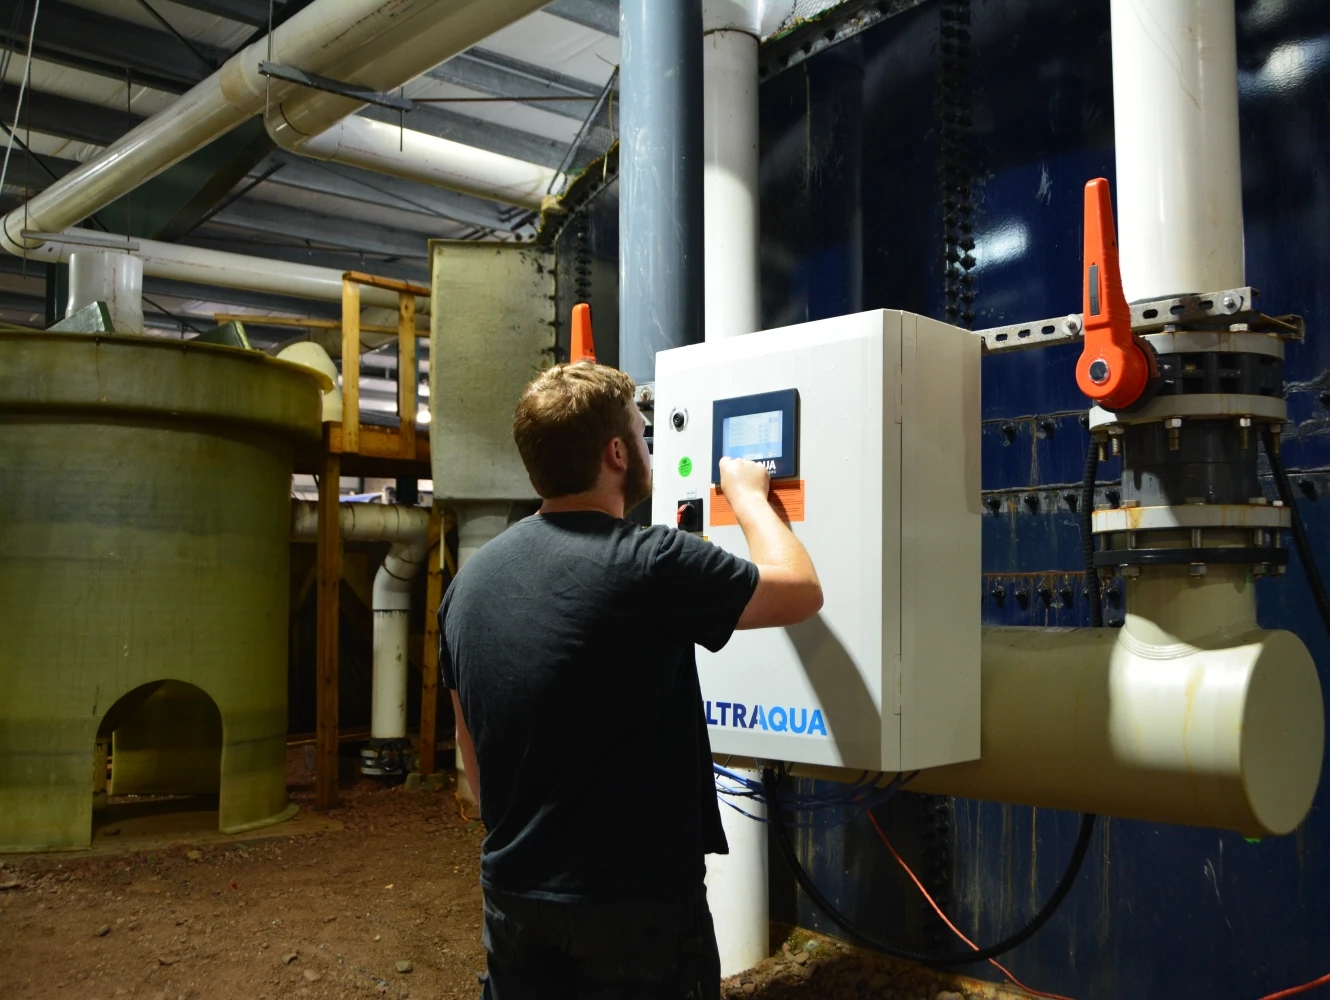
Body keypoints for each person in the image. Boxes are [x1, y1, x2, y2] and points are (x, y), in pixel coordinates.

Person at [439, 361, 823, 1000]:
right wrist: (747, 495)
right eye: (643, 435)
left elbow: (477, 771)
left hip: (514, 897)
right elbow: (800, 591)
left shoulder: (468, 587)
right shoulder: (650, 561)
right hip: (635, 909)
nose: (649, 448)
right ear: (616, 453)